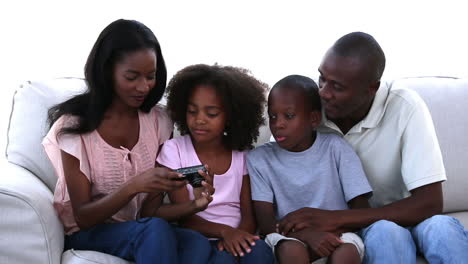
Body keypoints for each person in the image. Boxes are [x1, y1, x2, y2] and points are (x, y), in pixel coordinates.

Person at [277, 32, 468, 263]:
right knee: (386, 232)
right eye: (322, 78)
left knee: (442, 228)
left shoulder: (405, 106)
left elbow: (431, 203)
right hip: (369, 230)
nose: (324, 92)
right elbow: (274, 166)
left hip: (414, 218)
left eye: (337, 86)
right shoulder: (308, 108)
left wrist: (338, 218)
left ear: (371, 89)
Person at [42, 19, 213, 264]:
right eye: (132, 77)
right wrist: (134, 186)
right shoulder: (73, 128)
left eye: (151, 76)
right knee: (153, 230)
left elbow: (150, 207)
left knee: (194, 242)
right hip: (90, 233)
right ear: (107, 70)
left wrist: (191, 186)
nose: (143, 87)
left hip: (143, 228)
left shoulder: (159, 121)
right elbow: (83, 218)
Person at [156, 64, 275, 264]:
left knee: (260, 253)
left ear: (230, 117)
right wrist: (224, 233)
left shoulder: (242, 156)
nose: (199, 120)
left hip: (238, 234)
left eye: (211, 114)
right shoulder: (175, 150)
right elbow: (185, 216)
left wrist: (238, 238)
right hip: (199, 236)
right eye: (192, 111)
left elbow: (249, 216)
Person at [247, 75, 372, 264]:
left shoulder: (335, 148)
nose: (278, 124)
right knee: (292, 249)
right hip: (286, 237)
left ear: (313, 119)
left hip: (337, 233)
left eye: (288, 116)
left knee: (346, 252)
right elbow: (266, 223)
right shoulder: (259, 159)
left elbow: (361, 208)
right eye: (273, 116)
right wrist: (307, 235)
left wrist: (331, 234)